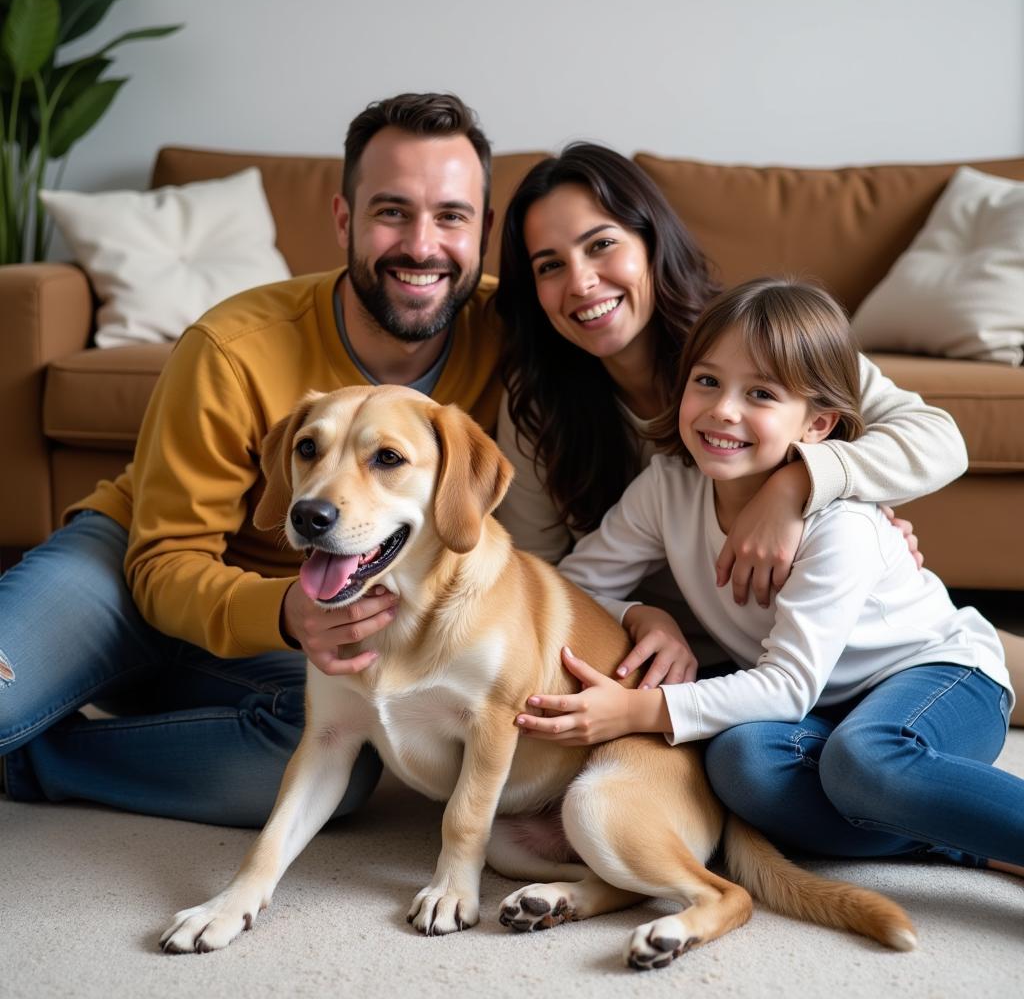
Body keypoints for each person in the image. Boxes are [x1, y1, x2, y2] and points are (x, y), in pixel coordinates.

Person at [0, 92, 501, 826]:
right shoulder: (232, 345)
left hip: (283, 628)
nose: (422, 245)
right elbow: (163, 562)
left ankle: (35, 761)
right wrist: (291, 612)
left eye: (451, 216)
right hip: (130, 574)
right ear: (344, 220)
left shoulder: (512, 334)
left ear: (483, 230)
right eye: (392, 211)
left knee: (333, 753)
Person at [514, 278, 1024, 875]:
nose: (723, 409)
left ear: (817, 425)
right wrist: (642, 613)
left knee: (863, 762)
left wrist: (637, 711)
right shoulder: (667, 488)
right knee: (738, 763)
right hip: (823, 711)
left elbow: (785, 687)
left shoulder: (841, 526)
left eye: (760, 393)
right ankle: (950, 835)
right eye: (707, 382)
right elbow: (575, 584)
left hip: (940, 677)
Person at [494, 142, 1024, 709]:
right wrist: (640, 616)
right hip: (671, 656)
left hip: (833, 626)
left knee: (978, 676)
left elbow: (938, 439)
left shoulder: (753, 339)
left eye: (601, 245)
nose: (580, 282)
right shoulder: (538, 405)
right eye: (550, 266)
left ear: (651, 243)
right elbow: (538, 578)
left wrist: (796, 486)